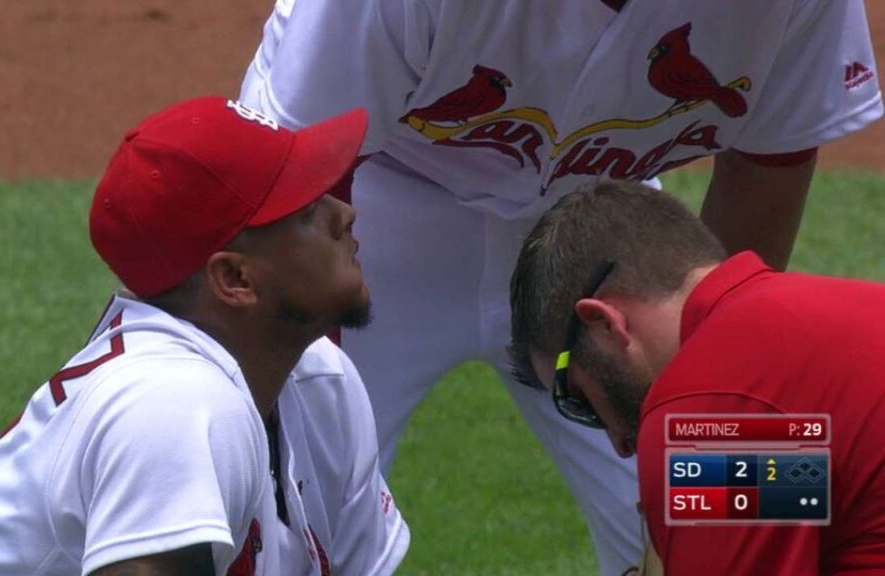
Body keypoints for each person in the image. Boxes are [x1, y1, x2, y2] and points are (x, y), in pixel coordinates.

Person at [238, 1, 883, 572]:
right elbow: (299, 175)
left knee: (736, 486)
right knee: (292, 518)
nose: (629, 443)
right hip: (367, 208)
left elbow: (772, 164)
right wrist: (291, 416)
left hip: (594, 216)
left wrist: (695, 461)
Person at [0, 96, 409, 575]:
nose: (346, 212)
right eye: (308, 211)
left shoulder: (319, 382)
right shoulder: (172, 404)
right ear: (236, 279)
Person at [508, 179, 885, 574]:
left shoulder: (708, 411)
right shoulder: (815, 329)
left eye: (580, 401)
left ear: (605, 323)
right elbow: (807, 485)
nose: (619, 443)